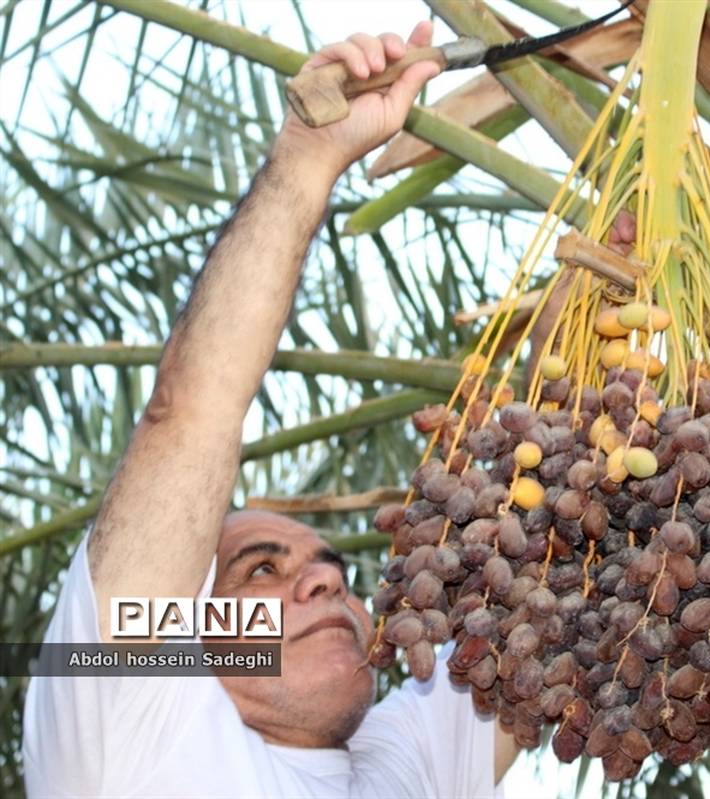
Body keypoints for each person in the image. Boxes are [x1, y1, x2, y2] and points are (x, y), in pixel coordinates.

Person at [22, 25, 518, 798]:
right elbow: (192, 408)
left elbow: (551, 567)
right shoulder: (130, 726)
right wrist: (308, 157)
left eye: (334, 572)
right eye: (260, 570)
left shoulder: (403, 767)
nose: (327, 586)